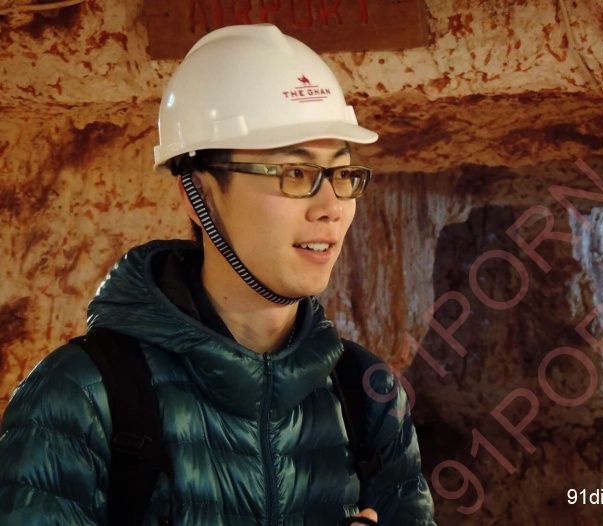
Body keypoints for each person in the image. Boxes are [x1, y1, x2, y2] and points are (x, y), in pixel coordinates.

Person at [0, 24, 436, 525]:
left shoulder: (366, 394)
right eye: (295, 174)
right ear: (199, 194)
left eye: (341, 174)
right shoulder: (79, 398)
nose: (331, 207)